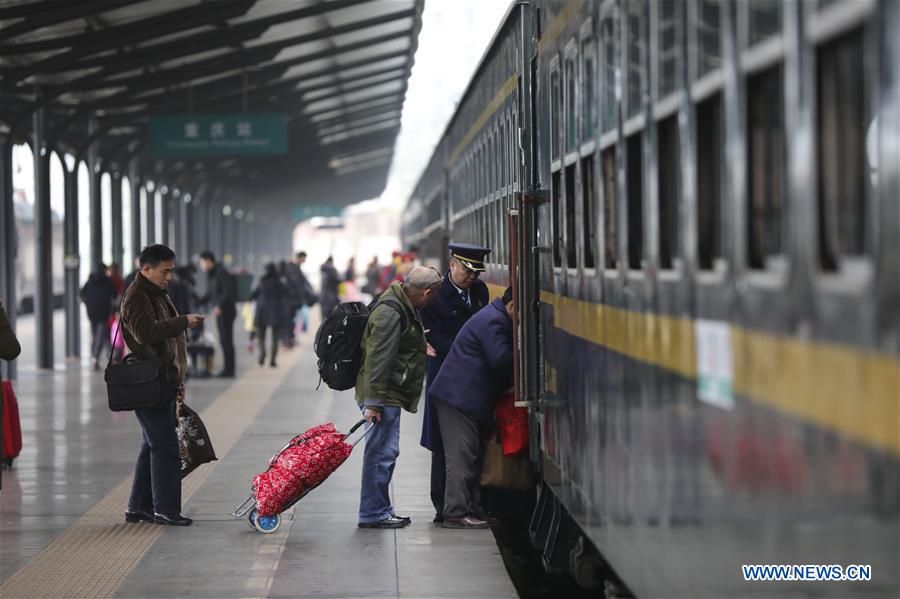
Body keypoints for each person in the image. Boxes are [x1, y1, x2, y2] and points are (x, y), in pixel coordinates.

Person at [119, 244, 205, 526]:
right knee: (165, 446)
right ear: (146, 269)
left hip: (162, 379)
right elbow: (145, 333)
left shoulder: (155, 293)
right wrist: (183, 322)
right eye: (164, 271)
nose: (168, 276)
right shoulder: (136, 296)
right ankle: (165, 509)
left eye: (171, 271)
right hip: (149, 382)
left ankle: (138, 508)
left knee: (151, 445)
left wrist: (177, 378)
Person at [356, 266, 442, 529]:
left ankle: (379, 509)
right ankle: (373, 513)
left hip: (386, 393)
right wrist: (373, 403)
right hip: (383, 394)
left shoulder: (401, 304)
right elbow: (377, 360)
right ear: (426, 293)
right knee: (380, 454)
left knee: (384, 452)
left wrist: (417, 343)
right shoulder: (390, 313)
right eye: (434, 295)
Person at [429, 286, 514, 529]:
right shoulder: (494, 321)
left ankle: (473, 508)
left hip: (465, 397)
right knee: (462, 456)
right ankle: (455, 513)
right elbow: (500, 359)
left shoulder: (493, 316)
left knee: (473, 456)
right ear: (513, 306)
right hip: (458, 397)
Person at [419, 242, 491, 523]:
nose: (472, 277)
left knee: (469, 445)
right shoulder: (435, 296)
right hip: (446, 377)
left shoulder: (480, 291)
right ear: (453, 265)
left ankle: (470, 504)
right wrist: (470, 351)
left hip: (474, 379)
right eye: (467, 271)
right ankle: (443, 506)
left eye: (476, 273)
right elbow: (433, 338)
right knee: (442, 443)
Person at [199, 250, 236, 378]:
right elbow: (210, 293)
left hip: (226, 311)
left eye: (202, 262)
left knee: (227, 340)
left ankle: (230, 370)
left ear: (209, 260)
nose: (201, 265)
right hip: (220, 312)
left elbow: (228, 290)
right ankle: (228, 369)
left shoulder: (220, 272)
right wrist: (199, 300)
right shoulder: (212, 274)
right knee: (223, 340)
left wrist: (219, 305)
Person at [251, 263, 291, 367]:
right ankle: (272, 360)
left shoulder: (262, 281)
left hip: (262, 311)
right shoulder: (279, 281)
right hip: (276, 313)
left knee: (260, 336)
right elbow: (288, 292)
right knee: (275, 338)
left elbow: (253, 294)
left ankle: (263, 352)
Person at [80, 264, 119, 371]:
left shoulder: (89, 282)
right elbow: (115, 294)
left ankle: (109, 356)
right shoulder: (108, 281)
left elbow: (81, 294)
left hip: (92, 313)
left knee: (99, 335)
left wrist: (89, 303)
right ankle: (96, 358)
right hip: (104, 313)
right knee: (100, 336)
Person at [319, 256, 340, 320]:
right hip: (331, 298)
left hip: (323, 297)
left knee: (324, 319)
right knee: (331, 319)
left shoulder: (323, 270)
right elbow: (338, 280)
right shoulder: (332, 269)